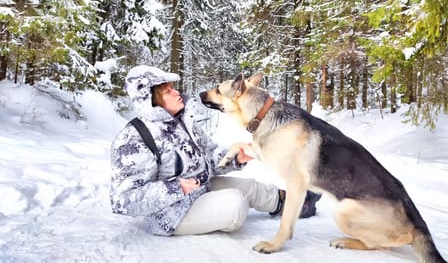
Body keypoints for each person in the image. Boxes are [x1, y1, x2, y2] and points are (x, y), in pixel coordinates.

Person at [109, 65, 321, 236]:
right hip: (171, 213)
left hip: (199, 189)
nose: (177, 92)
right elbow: (122, 200)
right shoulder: (134, 138)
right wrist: (176, 188)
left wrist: (236, 157)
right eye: (167, 91)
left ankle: (298, 203)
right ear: (151, 99)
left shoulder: (183, 121)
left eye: (173, 87)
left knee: (251, 187)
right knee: (236, 204)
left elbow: (209, 157)